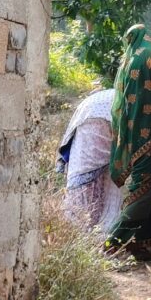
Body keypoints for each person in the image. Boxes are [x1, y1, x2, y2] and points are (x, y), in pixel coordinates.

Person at [107, 24, 151, 260]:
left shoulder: (128, 60)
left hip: (134, 133)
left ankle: (137, 243)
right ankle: (113, 240)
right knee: (144, 190)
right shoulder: (149, 56)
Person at [56, 88, 122, 236]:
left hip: (91, 113)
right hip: (103, 117)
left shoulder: (108, 96)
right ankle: (88, 232)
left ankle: (83, 230)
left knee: (86, 176)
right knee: (90, 178)